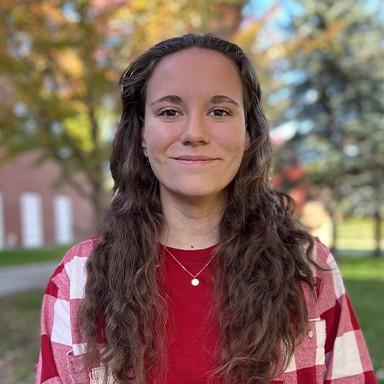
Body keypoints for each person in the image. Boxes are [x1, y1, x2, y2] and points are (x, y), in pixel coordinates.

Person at [35, 33, 376, 384]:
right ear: (141, 137)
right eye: (169, 111)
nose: (194, 132)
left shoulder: (308, 269)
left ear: (247, 135)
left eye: (219, 111)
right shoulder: (78, 278)